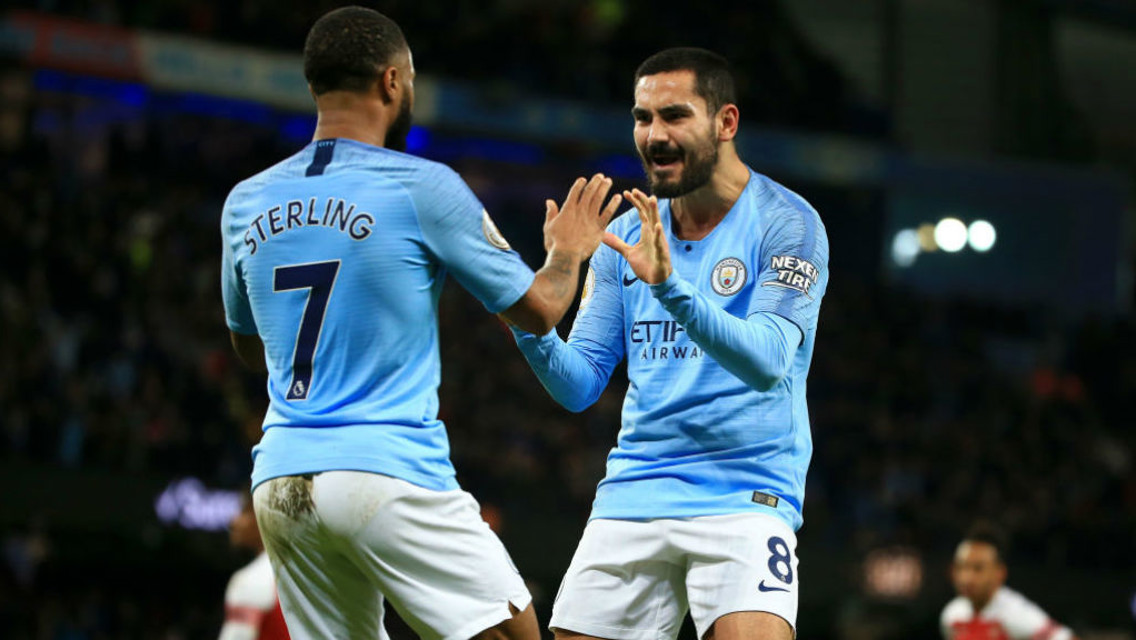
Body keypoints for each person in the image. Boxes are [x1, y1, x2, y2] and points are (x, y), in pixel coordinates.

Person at [219, 6, 622, 639]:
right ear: (391, 83)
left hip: (280, 481)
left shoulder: (245, 201)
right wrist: (568, 251)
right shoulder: (422, 186)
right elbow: (541, 308)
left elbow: (249, 348)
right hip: (386, 468)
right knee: (516, 634)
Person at [509, 47, 829, 640]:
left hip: (746, 495)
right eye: (642, 117)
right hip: (634, 490)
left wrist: (671, 288)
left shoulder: (788, 223)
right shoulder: (626, 233)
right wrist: (524, 315)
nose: (654, 135)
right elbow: (580, 384)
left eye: (675, 115)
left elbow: (767, 362)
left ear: (725, 123)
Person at [941, 522, 1079, 640]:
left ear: (999, 573)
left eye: (978, 569)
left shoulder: (1016, 614)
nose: (967, 577)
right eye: (961, 567)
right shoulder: (951, 615)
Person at [218, 496, 290, 640]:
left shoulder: (251, 580)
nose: (234, 521)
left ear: (266, 517)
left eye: (245, 511)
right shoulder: (307, 573)